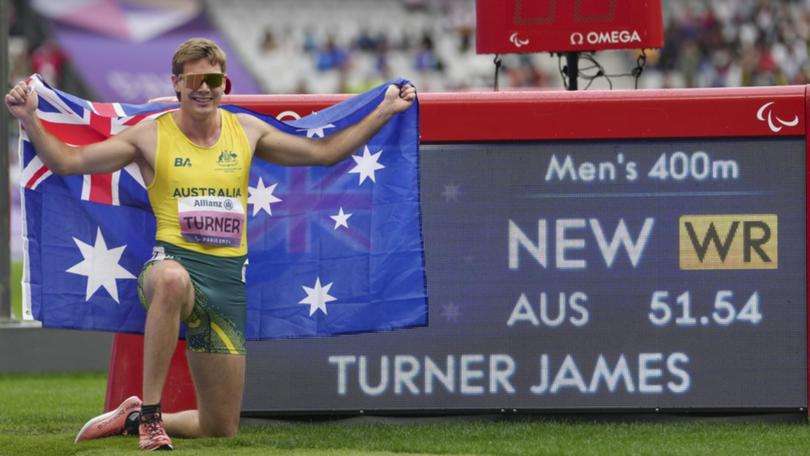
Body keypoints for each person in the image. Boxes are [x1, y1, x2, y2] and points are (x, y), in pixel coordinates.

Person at [5, 37, 416, 451]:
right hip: (170, 265)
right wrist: (29, 118)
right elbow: (68, 162)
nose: (204, 88)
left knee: (219, 426)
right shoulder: (149, 136)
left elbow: (324, 153)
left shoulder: (248, 131)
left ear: (226, 85)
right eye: (194, 79)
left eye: (213, 79)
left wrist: (384, 110)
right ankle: (150, 416)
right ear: (177, 84)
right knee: (171, 281)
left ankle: (132, 418)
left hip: (225, 285)